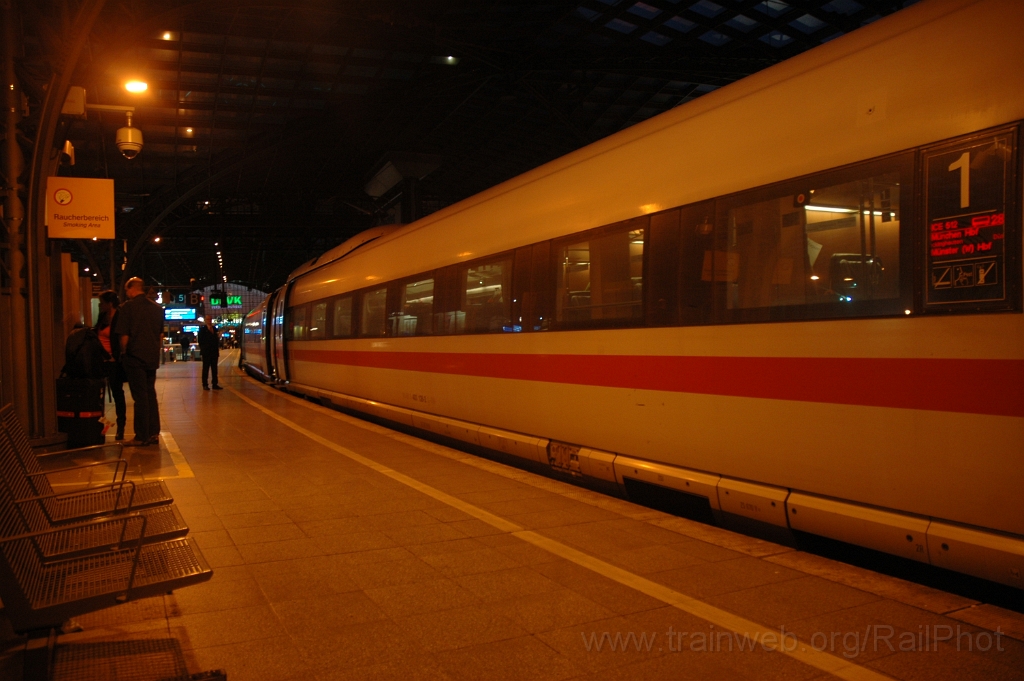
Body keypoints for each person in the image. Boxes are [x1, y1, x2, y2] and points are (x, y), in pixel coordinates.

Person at [115, 277, 164, 446]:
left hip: (134, 357)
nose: (126, 293)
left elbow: (124, 336)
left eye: (127, 290)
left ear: (132, 288)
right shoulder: (157, 309)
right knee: (150, 394)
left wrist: (123, 353)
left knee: (140, 397)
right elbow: (160, 335)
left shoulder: (127, 308)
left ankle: (141, 435)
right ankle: (153, 433)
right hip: (151, 357)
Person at [95, 290, 127, 440]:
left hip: (114, 361)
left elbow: (121, 338)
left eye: (102, 303)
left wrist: (117, 356)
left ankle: (121, 427)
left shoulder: (120, 316)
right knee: (98, 395)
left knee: (117, 393)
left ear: (110, 303)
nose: (100, 305)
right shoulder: (102, 317)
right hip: (101, 360)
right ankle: (99, 426)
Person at [197, 318, 222, 390]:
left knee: (214, 369)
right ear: (205, 321)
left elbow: (216, 340)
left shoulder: (214, 329)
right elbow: (200, 341)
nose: (209, 321)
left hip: (214, 352)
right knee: (205, 369)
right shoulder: (202, 330)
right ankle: (205, 384)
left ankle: (215, 384)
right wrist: (204, 349)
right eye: (207, 319)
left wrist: (219, 337)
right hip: (206, 352)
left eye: (210, 319)